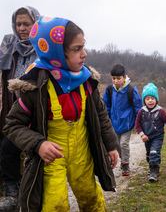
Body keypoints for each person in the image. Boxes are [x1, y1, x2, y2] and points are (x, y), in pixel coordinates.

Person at [2, 16, 119, 211]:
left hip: (82, 151)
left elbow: (101, 115)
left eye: (83, 46)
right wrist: (38, 144)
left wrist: (111, 145)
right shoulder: (35, 86)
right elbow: (12, 125)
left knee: (91, 197)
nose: (84, 54)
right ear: (55, 53)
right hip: (52, 157)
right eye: (77, 49)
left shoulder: (87, 80)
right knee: (55, 205)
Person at [0, 6, 40, 212]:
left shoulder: (44, 47)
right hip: (14, 114)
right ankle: (12, 194)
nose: (22, 28)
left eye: (27, 24)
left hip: (37, 113)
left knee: (31, 152)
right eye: (18, 24)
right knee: (7, 148)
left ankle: (29, 195)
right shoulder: (9, 48)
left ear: (36, 24)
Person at [102, 64, 143, 176]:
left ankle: (125, 164)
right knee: (116, 144)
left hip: (127, 123)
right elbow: (106, 105)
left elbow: (138, 107)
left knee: (124, 143)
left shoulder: (130, 90)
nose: (116, 81)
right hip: (114, 123)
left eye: (118, 78)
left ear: (124, 77)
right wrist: (106, 119)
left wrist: (138, 122)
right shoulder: (110, 89)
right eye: (113, 78)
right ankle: (124, 155)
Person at [135, 83, 166, 182]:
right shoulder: (142, 111)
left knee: (154, 152)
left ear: (156, 100)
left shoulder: (160, 111)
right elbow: (137, 124)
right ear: (144, 100)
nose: (150, 100)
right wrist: (142, 135)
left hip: (157, 136)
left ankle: (154, 172)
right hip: (147, 137)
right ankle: (152, 166)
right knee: (149, 154)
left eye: (152, 98)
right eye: (147, 98)